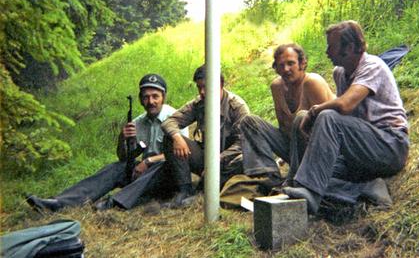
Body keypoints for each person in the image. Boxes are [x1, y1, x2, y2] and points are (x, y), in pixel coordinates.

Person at [283, 20, 409, 214]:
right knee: (302, 120)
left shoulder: (373, 66)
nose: (327, 52)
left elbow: (344, 105)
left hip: (389, 146)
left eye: (331, 47)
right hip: (361, 150)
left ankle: (310, 191)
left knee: (327, 116)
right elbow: (348, 118)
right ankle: (365, 188)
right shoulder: (340, 73)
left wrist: (315, 111)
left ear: (349, 47)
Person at [26, 74, 188, 212]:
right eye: (146, 97)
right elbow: (124, 157)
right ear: (140, 99)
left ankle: (115, 202)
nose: (150, 101)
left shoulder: (174, 117)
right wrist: (122, 138)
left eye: (155, 96)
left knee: (161, 165)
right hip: (143, 176)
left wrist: (148, 161)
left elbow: (180, 154)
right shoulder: (138, 122)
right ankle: (60, 202)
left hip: (167, 176)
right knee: (117, 167)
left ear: (163, 97)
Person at [240, 43, 335, 185]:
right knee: (249, 122)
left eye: (291, 63)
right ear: (276, 68)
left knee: (302, 117)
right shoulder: (276, 87)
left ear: (302, 63)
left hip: (320, 154)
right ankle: (268, 176)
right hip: (294, 150)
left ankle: (299, 179)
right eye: (281, 65)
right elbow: (284, 127)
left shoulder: (313, 82)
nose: (286, 69)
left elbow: (328, 130)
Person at [161, 65, 251, 208]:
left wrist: (216, 162)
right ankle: (185, 190)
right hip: (206, 157)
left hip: (229, 160)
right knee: (170, 138)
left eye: (206, 87)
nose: (202, 92)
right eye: (199, 87)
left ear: (220, 85)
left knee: (245, 160)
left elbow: (242, 143)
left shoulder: (237, 107)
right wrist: (177, 138)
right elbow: (169, 122)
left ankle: (204, 192)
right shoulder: (198, 104)